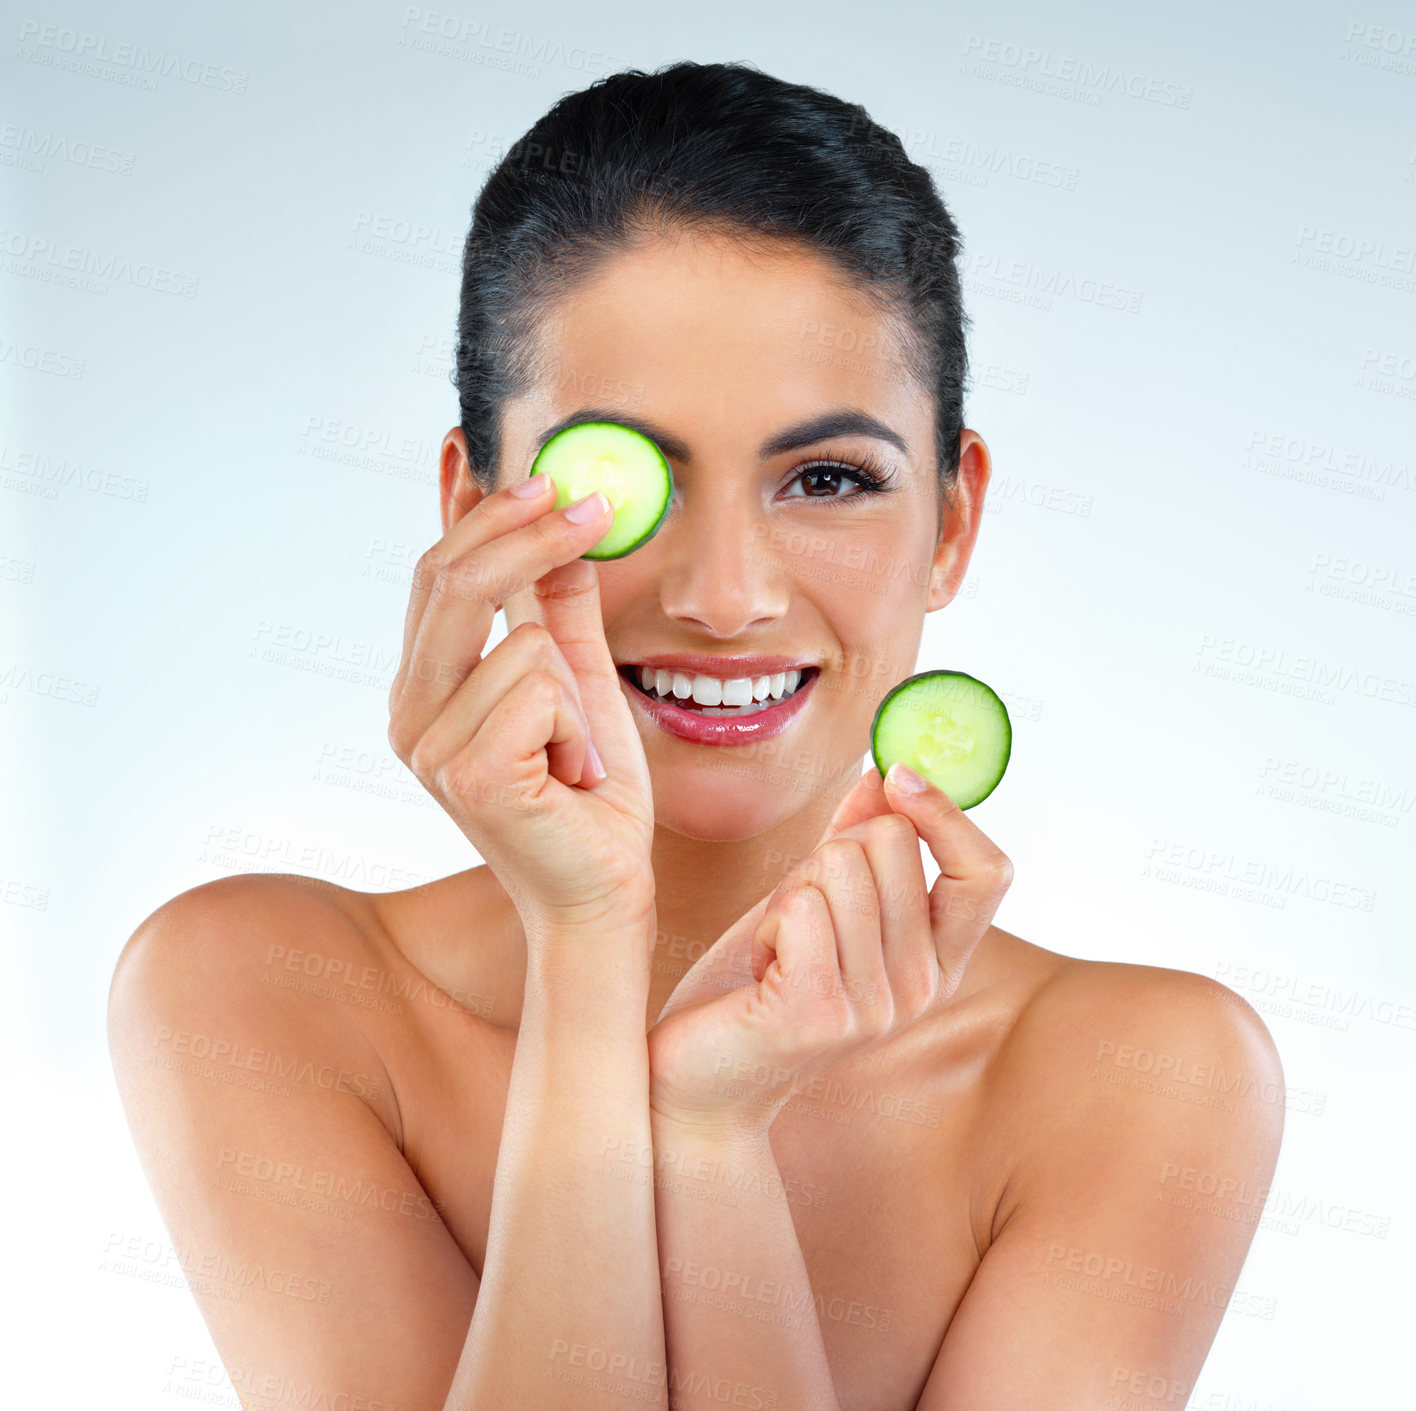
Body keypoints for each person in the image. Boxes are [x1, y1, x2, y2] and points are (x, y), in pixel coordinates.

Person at [108, 59, 1285, 1411]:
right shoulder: (259, 993)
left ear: (953, 525)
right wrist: (587, 948)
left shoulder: (1144, 1082)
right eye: (626, 478)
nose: (727, 596)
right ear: (475, 507)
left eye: (829, 478)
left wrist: (711, 1137)